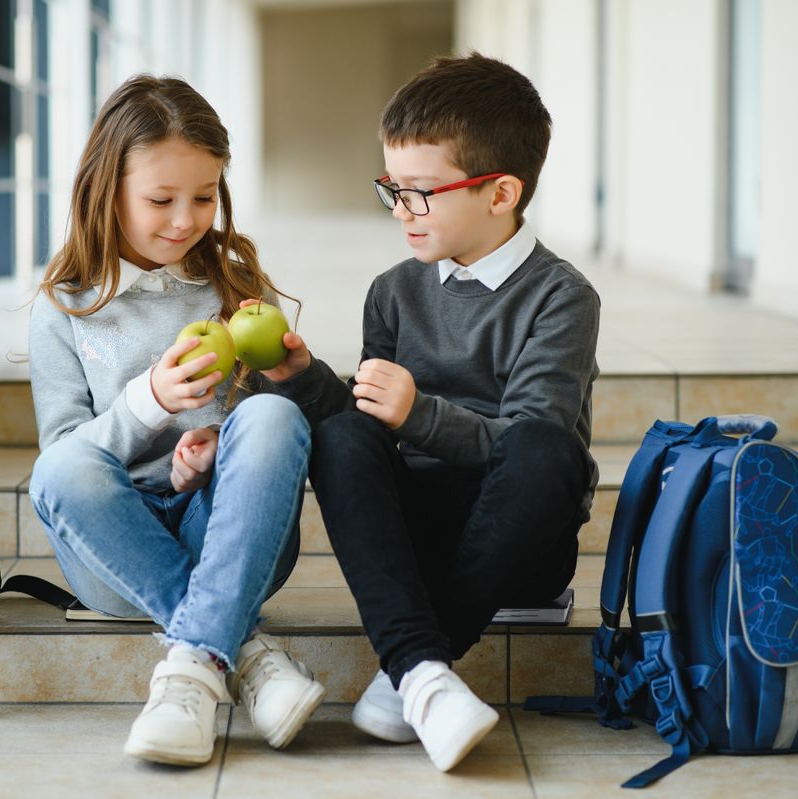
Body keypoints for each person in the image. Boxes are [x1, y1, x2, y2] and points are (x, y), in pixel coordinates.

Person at [260, 53, 600, 771]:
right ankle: (423, 677)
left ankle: (406, 665)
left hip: (517, 539)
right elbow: (369, 421)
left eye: (421, 192)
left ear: (501, 191)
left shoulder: (561, 297)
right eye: (393, 188)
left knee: (548, 449)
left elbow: (527, 445)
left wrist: (420, 414)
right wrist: (305, 377)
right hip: (415, 533)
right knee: (344, 435)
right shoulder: (393, 291)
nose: (400, 210)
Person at [27, 75, 324, 767]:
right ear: (107, 190)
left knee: (276, 418)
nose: (186, 219)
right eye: (160, 199)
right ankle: (242, 650)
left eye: (204, 196)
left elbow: (269, 448)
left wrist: (221, 444)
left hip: (226, 533)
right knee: (60, 466)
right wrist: (150, 400)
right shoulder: (64, 307)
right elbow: (66, 466)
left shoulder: (236, 286)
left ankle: (191, 666)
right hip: (115, 550)